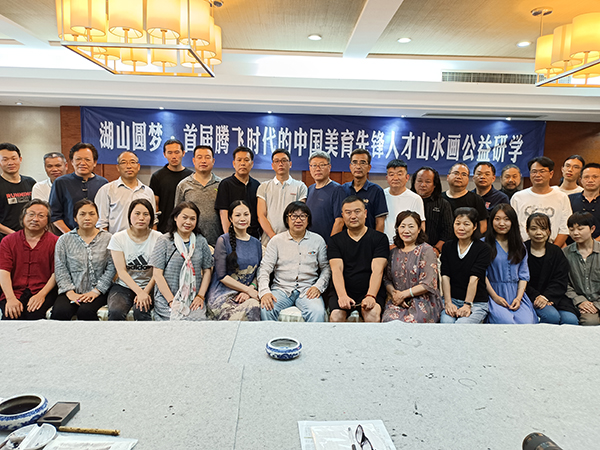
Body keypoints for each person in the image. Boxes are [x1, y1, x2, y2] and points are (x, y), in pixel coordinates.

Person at [258, 202, 330, 322]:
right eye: (294, 216)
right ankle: (271, 335)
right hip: (281, 289)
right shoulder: (276, 241)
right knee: (266, 309)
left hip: (308, 290)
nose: (298, 220)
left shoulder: (318, 240)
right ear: (287, 219)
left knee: (317, 312)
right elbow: (265, 268)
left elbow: (326, 268)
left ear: (308, 219)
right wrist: (264, 292)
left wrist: (318, 287)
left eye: (303, 216)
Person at [328, 196, 389, 323]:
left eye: (357, 211)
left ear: (365, 213)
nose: (353, 216)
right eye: (348, 212)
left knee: (372, 314)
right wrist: (342, 296)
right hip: (343, 289)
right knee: (336, 315)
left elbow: (377, 270)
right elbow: (336, 270)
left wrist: (371, 295)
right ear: (343, 216)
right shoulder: (335, 240)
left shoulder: (380, 239)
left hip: (370, 289)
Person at [51, 199, 115, 321]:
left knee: (86, 311)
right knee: (60, 311)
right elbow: (60, 269)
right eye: (82, 214)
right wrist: (70, 293)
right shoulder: (64, 240)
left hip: (100, 291)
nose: (87, 218)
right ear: (75, 218)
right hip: (72, 290)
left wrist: (96, 291)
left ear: (97, 217)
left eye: (92, 214)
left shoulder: (109, 238)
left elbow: (112, 268)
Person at [150, 202, 213, 321]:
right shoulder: (164, 241)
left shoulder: (201, 241)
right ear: (175, 217)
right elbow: (157, 274)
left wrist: (200, 296)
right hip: (167, 299)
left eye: (192, 219)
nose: (188, 222)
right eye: (184, 217)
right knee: (176, 321)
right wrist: (171, 301)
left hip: (193, 299)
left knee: (198, 323)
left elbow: (207, 271)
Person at [0, 200, 58, 320]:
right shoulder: (8, 241)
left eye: (41, 216)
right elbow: (4, 271)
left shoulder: (55, 242)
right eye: (31, 214)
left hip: (43, 291)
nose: (35, 219)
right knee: (10, 316)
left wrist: (41, 295)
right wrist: (10, 298)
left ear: (48, 220)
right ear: (23, 217)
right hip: (13, 291)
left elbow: (56, 273)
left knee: (35, 315)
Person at [382, 211, 442, 323]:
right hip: (398, 301)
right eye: (402, 226)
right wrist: (396, 295)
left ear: (419, 229)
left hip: (423, 302)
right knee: (388, 320)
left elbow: (428, 283)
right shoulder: (394, 252)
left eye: (411, 226)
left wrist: (404, 294)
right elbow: (387, 279)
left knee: (413, 321)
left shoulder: (427, 250)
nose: (406, 230)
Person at [106, 199, 162, 321]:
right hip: (124, 286)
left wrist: (145, 292)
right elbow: (121, 272)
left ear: (151, 218)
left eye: (146, 214)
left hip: (150, 286)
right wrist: (139, 292)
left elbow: (158, 271)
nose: (141, 218)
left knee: (141, 309)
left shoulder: (159, 238)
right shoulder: (118, 238)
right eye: (137, 213)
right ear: (129, 215)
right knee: (116, 312)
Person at [206, 201, 262, 321]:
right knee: (244, 312)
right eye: (237, 215)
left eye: (246, 214)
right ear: (230, 218)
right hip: (222, 294)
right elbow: (222, 276)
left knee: (255, 307)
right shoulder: (223, 241)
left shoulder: (256, 243)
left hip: (246, 294)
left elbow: (258, 272)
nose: (242, 218)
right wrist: (247, 290)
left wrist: (250, 290)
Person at [484, 204, 537, 324]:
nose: (502, 223)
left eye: (506, 219)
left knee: (527, 322)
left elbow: (523, 276)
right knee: (506, 321)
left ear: (513, 222)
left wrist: (518, 298)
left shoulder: (519, 245)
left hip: (516, 294)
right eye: (497, 219)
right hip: (492, 293)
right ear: (491, 221)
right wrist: (495, 297)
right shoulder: (484, 245)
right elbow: (482, 276)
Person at [524, 213, 579, 325]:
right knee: (552, 316)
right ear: (527, 231)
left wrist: (546, 297)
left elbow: (560, 279)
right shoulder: (521, 250)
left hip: (555, 296)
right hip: (530, 297)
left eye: (543, 228)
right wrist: (537, 297)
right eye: (534, 228)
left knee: (570, 320)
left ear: (549, 231)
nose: (538, 232)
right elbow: (519, 279)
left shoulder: (556, 252)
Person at [440, 207, 491, 324]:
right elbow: (445, 275)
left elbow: (474, 278)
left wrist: (467, 305)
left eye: (466, 224)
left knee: (462, 325)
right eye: (457, 223)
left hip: (476, 303)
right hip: (452, 300)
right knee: (446, 323)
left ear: (474, 226)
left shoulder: (483, 248)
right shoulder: (447, 246)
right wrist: (448, 303)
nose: (461, 228)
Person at [511, 156, 572, 247]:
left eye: (542, 171)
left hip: (552, 247)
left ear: (551, 174)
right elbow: (513, 226)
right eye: (534, 171)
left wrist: (553, 250)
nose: (537, 175)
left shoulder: (562, 197)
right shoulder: (518, 197)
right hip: (523, 248)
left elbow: (565, 228)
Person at [49, 142, 108, 234]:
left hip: (96, 236)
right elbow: (54, 214)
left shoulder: (103, 183)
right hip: (68, 235)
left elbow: (105, 214)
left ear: (95, 162)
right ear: (72, 162)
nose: (82, 163)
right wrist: (70, 235)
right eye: (78, 159)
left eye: (87, 159)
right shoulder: (61, 182)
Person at [94, 150, 156, 234]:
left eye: (132, 162)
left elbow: (153, 221)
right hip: (115, 240)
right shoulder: (106, 190)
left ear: (138, 166)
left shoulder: (148, 192)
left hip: (143, 240)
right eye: (123, 163)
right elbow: (101, 224)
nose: (128, 166)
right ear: (118, 167)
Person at [256, 149, 307, 245]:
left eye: (284, 160)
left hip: (293, 241)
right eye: (277, 161)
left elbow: (299, 215)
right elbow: (261, 215)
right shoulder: (264, 187)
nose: (280, 164)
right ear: (272, 165)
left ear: (290, 164)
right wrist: (273, 237)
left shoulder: (300, 186)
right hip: (268, 242)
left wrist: (288, 238)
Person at [174, 145, 222, 246]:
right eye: (199, 157)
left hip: (216, 241)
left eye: (207, 157)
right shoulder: (183, 185)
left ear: (213, 161)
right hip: (190, 241)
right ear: (194, 160)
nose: (203, 161)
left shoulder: (221, 184)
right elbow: (177, 215)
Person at [214, 146, 261, 239]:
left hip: (253, 236)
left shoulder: (257, 185)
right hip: (233, 235)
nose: (242, 163)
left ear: (252, 164)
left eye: (246, 160)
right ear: (234, 163)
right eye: (239, 160)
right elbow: (223, 213)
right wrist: (229, 237)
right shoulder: (225, 184)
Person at [563, 212, 600, 326]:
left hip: (598, 302)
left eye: (580, 229)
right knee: (590, 322)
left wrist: (597, 305)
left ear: (592, 229)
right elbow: (563, 282)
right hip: (579, 303)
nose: (575, 233)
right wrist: (580, 301)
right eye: (571, 229)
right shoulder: (565, 253)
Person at [149, 139, 193, 233]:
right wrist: (154, 227)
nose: (174, 156)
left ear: (183, 153)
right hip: (164, 227)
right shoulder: (157, 176)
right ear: (164, 154)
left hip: (186, 226)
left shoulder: (191, 176)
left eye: (177, 152)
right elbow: (155, 205)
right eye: (169, 153)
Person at [341, 149, 387, 232]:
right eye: (355, 162)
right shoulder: (343, 189)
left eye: (362, 163)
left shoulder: (376, 191)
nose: (358, 166)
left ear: (369, 167)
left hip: (369, 238)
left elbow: (380, 222)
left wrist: (377, 239)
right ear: (350, 167)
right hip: (346, 238)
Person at [410, 166, 453, 255]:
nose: (423, 185)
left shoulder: (443, 204)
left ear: (434, 184)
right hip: (407, 250)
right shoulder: (407, 200)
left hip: (434, 251)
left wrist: (436, 250)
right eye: (419, 181)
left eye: (428, 182)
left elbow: (448, 232)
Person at [383, 159, 425, 246]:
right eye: (391, 174)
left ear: (407, 177)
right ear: (387, 178)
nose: (395, 178)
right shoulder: (381, 195)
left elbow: (421, 226)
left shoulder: (415, 198)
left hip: (405, 246)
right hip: (382, 244)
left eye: (399, 174)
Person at [306, 151, 344, 244]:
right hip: (309, 243)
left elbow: (340, 221)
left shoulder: (337, 189)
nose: (318, 169)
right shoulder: (310, 189)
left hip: (327, 243)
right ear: (310, 168)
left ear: (329, 167)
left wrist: (330, 244)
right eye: (314, 165)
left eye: (322, 165)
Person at [0, 143, 37, 240]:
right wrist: (14, 234)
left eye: (13, 158)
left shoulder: (31, 182)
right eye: (5, 159)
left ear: (20, 159)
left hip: (31, 237)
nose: (10, 163)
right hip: (5, 239)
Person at [442, 162, 488, 234]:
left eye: (464, 174)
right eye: (456, 173)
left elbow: (483, 225)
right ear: (448, 177)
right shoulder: (439, 198)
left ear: (468, 179)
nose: (459, 177)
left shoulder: (476, 199)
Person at [568, 163, 600, 241]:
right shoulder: (569, 199)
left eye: (595, 177)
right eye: (586, 177)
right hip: (571, 245)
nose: (590, 180)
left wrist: (593, 244)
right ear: (581, 180)